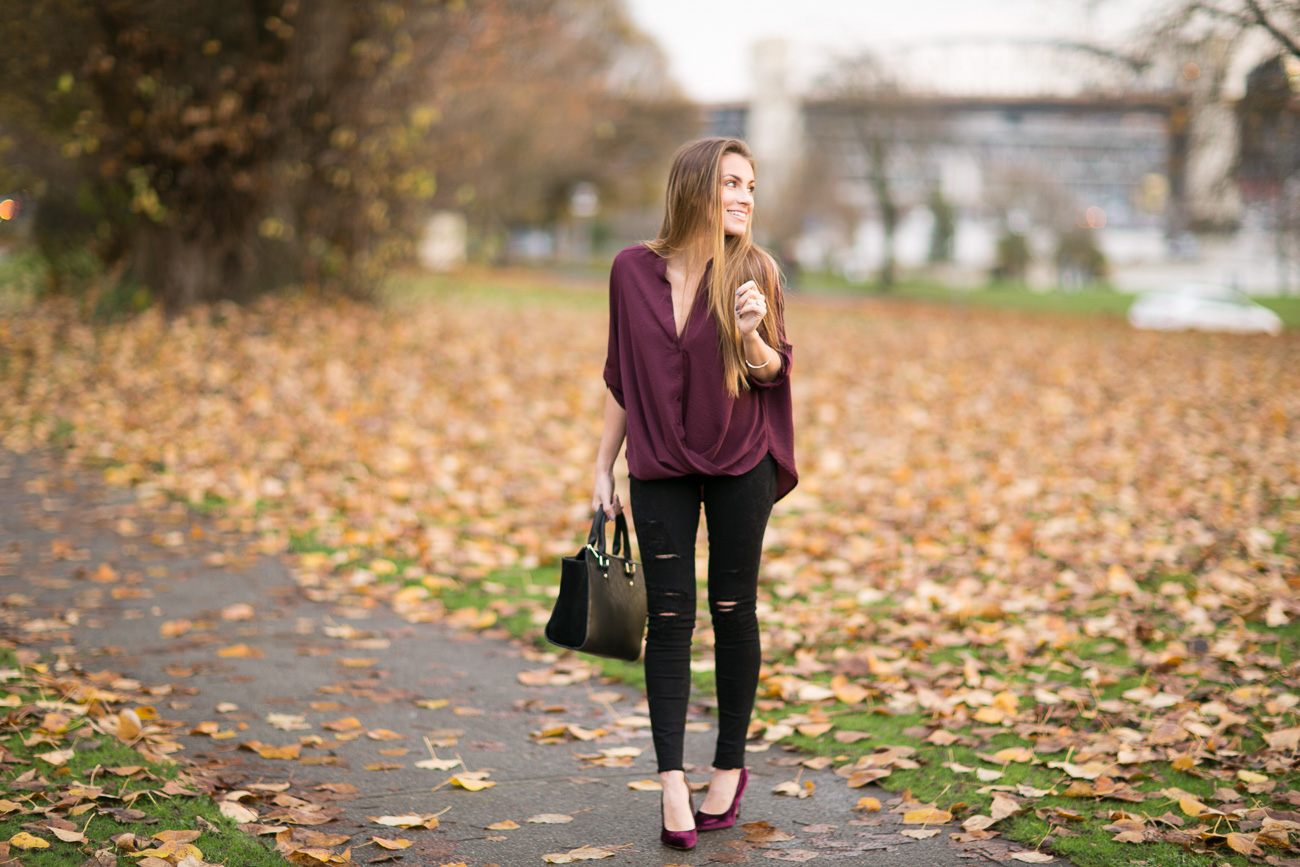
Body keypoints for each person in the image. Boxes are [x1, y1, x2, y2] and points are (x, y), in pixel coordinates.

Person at [591, 137, 797, 851]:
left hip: (742, 459)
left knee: (734, 607)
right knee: (669, 616)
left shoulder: (755, 271)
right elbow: (623, 377)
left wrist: (750, 338)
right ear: (693, 189)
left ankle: (729, 766)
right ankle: (671, 781)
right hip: (660, 463)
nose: (744, 196)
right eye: (731, 183)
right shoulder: (630, 272)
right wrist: (602, 467)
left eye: (751, 185)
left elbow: (775, 369)